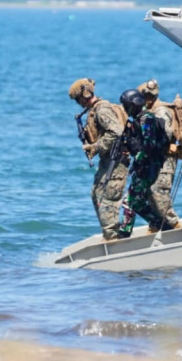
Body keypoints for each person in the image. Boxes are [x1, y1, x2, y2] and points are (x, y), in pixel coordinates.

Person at [69, 78, 131, 240]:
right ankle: (109, 233)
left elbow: (115, 132)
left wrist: (96, 147)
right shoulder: (94, 110)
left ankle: (112, 237)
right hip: (108, 159)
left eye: (78, 99)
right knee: (96, 194)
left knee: (108, 198)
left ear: (85, 95)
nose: (78, 103)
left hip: (117, 161)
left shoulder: (102, 110)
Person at [121, 88, 180, 233]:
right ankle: (162, 226)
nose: (125, 110)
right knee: (137, 202)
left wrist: (139, 160)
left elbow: (149, 143)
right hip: (146, 166)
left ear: (134, 105)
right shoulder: (138, 120)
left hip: (148, 167)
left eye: (127, 106)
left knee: (129, 201)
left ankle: (124, 233)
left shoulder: (146, 118)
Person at [136, 79, 182, 230]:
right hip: (156, 159)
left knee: (159, 192)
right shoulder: (150, 112)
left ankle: (175, 225)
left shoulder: (161, 112)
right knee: (150, 192)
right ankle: (157, 225)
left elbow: (165, 135)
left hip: (165, 159)